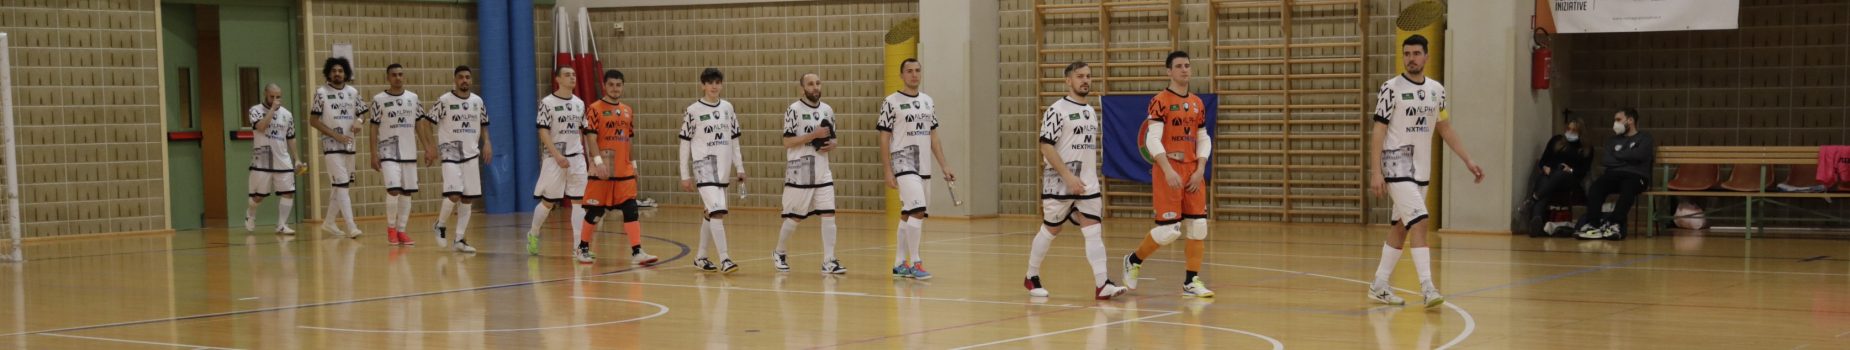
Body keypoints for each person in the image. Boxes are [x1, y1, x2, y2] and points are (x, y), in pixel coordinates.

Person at [1365, 35, 1485, 308]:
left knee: (1400, 227)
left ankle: (1380, 285)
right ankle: (1428, 287)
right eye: (1407, 53)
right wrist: (1376, 172)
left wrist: (1468, 160)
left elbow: (1445, 128)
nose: (1411, 58)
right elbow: (1378, 130)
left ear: (1426, 57)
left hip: (1421, 169)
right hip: (1397, 164)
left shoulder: (1436, 90)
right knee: (1420, 221)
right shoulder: (1390, 88)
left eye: (1416, 53)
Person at [1023, 61, 1127, 300]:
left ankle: (1102, 284)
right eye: (1080, 76)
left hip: (1088, 184)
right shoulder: (1056, 110)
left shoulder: (1090, 111)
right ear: (1068, 80)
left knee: (1093, 230)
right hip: (1060, 182)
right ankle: (1031, 276)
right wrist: (1068, 177)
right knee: (1052, 228)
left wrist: (1085, 178)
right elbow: (1045, 146)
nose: (1085, 80)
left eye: (1088, 76)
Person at [1121, 51, 1214, 298]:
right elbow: (1152, 139)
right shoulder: (1160, 100)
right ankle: (1133, 259)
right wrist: (1167, 169)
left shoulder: (1197, 103)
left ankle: (1191, 281)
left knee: (1198, 226)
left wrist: (1201, 168)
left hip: (1193, 171)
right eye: (1179, 66)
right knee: (1168, 231)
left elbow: (1204, 138)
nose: (1185, 70)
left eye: (1187, 66)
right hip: (1169, 170)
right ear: (1168, 71)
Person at [879, 58, 955, 281]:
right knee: (919, 209)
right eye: (909, 71)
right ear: (901, 75)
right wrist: (887, 170)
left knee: (909, 213)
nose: (914, 74)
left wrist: (945, 165)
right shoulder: (891, 102)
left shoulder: (927, 101)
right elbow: (884, 139)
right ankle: (916, 262)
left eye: (917, 70)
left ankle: (899, 263)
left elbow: (933, 137)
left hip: (923, 164)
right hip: (903, 161)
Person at [581, 69, 660, 266]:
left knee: (630, 208)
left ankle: (637, 251)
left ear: (622, 86)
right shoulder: (594, 109)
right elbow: (590, 138)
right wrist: (598, 163)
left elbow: (629, 139)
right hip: (603, 169)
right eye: (611, 85)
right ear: (605, 86)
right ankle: (582, 248)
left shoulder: (627, 110)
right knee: (595, 211)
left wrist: (633, 165)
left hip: (623, 170)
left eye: (618, 85)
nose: (615, 89)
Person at [774, 73, 846, 274]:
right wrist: (813, 135)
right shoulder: (793, 110)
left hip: (823, 170)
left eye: (817, 83)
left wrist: (831, 145)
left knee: (829, 213)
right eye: (810, 84)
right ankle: (779, 251)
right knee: (795, 217)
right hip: (801, 170)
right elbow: (787, 142)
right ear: (802, 88)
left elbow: (834, 139)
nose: (815, 87)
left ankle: (829, 260)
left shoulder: (827, 110)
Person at [679, 67, 745, 273]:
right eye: (710, 83)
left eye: (717, 82)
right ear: (703, 86)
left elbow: (734, 141)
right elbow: (684, 144)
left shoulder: (728, 108)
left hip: (723, 169)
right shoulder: (693, 111)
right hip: (704, 167)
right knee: (717, 212)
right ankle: (725, 259)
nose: (714, 86)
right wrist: (685, 174)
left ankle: (701, 256)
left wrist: (740, 167)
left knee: (710, 212)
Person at [425, 65, 493, 253]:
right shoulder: (444, 101)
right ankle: (440, 224)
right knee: (454, 194)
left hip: (471, 154)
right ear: (455, 80)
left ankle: (460, 239)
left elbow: (484, 124)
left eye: (467, 77)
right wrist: (430, 146)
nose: (465, 80)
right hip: (450, 153)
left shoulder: (478, 101)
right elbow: (426, 122)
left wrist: (487, 142)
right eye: (461, 77)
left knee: (467, 198)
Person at [528, 66, 590, 260]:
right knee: (548, 202)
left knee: (579, 202)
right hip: (554, 158)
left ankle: (578, 247)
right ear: (557, 79)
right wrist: (557, 155)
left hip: (577, 157)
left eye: (573, 74)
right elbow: (543, 132)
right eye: (567, 75)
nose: (572, 77)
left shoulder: (580, 103)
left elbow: (584, 132)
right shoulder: (547, 103)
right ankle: (533, 233)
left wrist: (589, 159)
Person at [308, 57, 367, 238]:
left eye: (340, 71)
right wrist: (334, 135)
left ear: (345, 73)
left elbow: (364, 112)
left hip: (349, 144)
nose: (337, 74)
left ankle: (329, 222)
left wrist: (359, 121)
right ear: (328, 73)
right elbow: (313, 121)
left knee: (340, 186)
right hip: (331, 145)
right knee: (341, 184)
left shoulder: (353, 92)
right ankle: (351, 226)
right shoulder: (321, 93)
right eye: (334, 71)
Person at [1575, 108, 1654, 240]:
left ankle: (1615, 224)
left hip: (1637, 176)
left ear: (1630, 120)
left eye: (1618, 120)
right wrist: (1629, 157)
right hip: (1614, 174)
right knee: (1596, 187)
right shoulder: (1612, 140)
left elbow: (1640, 155)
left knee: (1628, 189)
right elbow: (1607, 160)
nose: (1615, 123)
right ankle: (1593, 225)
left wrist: (1618, 155)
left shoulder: (1645, 138)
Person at [368, 63, 423, 245]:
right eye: (394, 75)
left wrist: (428, 147)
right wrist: (373, 154)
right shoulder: (379, 99)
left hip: (409, 152)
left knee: (407, 193)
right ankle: (391, 228)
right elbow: (373, 128)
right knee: (393, 190)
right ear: (388, 77)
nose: (398, 77)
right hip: (388, 152)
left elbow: (419, 125)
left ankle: (402, 230)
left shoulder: (413, 98)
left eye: (400, 74)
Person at [245, 84, 304, 235]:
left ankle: (281, 224)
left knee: (288, 192)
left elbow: (291, 137)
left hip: (282, 157)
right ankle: (250, 213)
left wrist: (296, 158)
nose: (276, 100)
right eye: (272, 96)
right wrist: (272, 110)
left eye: (278, 96)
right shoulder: (255, 110)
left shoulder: (287, 115)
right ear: (265, 94)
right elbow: (261, 127)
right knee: (258, 197)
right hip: (263, 156)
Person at [1520, 112, 1590, 237]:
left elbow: (1584, 170)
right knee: (1545, 182)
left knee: (1558, 173)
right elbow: (1543, 161)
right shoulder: (1556, 141)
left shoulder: (1585, 149)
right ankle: (1536, 222)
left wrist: (1571, 170)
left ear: (1580, 132)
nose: (1570, 132)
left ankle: (1532, 199)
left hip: (1569, 179)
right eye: (1568, 129)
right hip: (1549, 175)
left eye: (1574, 130)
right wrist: (1544, 167)